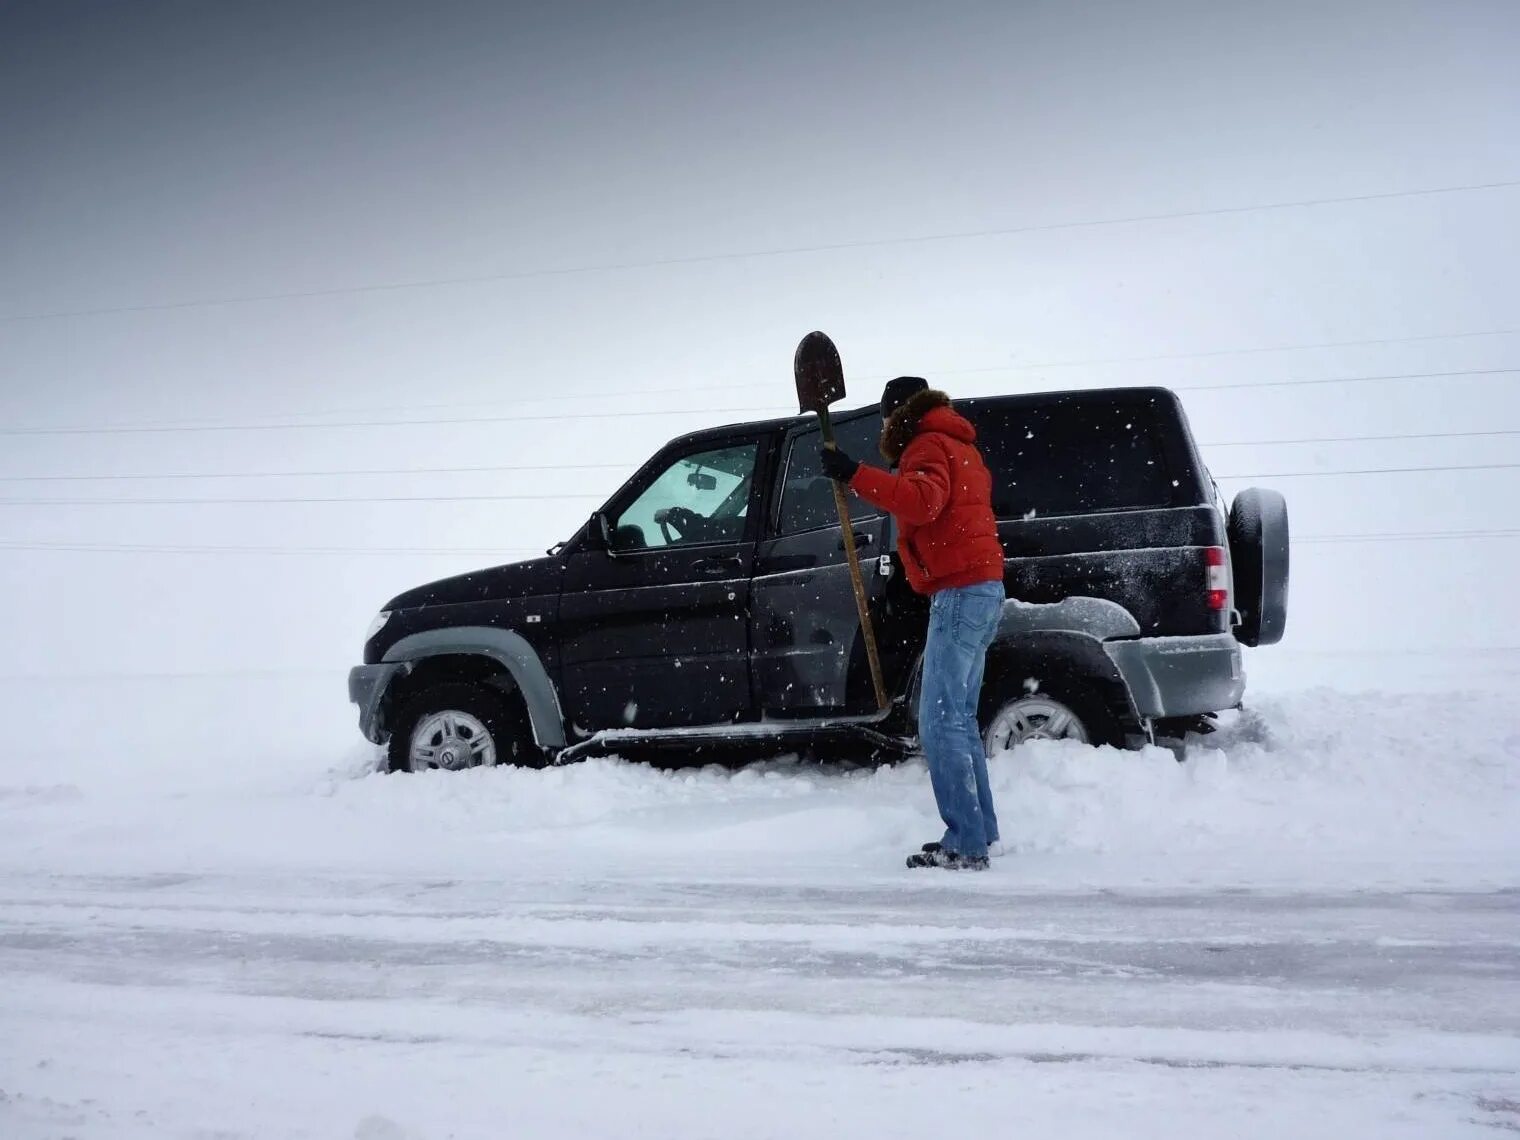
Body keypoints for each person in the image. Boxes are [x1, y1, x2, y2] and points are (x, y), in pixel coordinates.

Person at [820, 376, 1006, 870]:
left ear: (897, 412)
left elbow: (923, 502)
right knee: (959, 719)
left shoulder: (926, 443)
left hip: (961, 591)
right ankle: (980, 831)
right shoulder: (959, 444)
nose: (883, 426)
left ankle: (966, 844)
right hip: (983, 586)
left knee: (938, 721)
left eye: (884, 417)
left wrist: (853, 473)